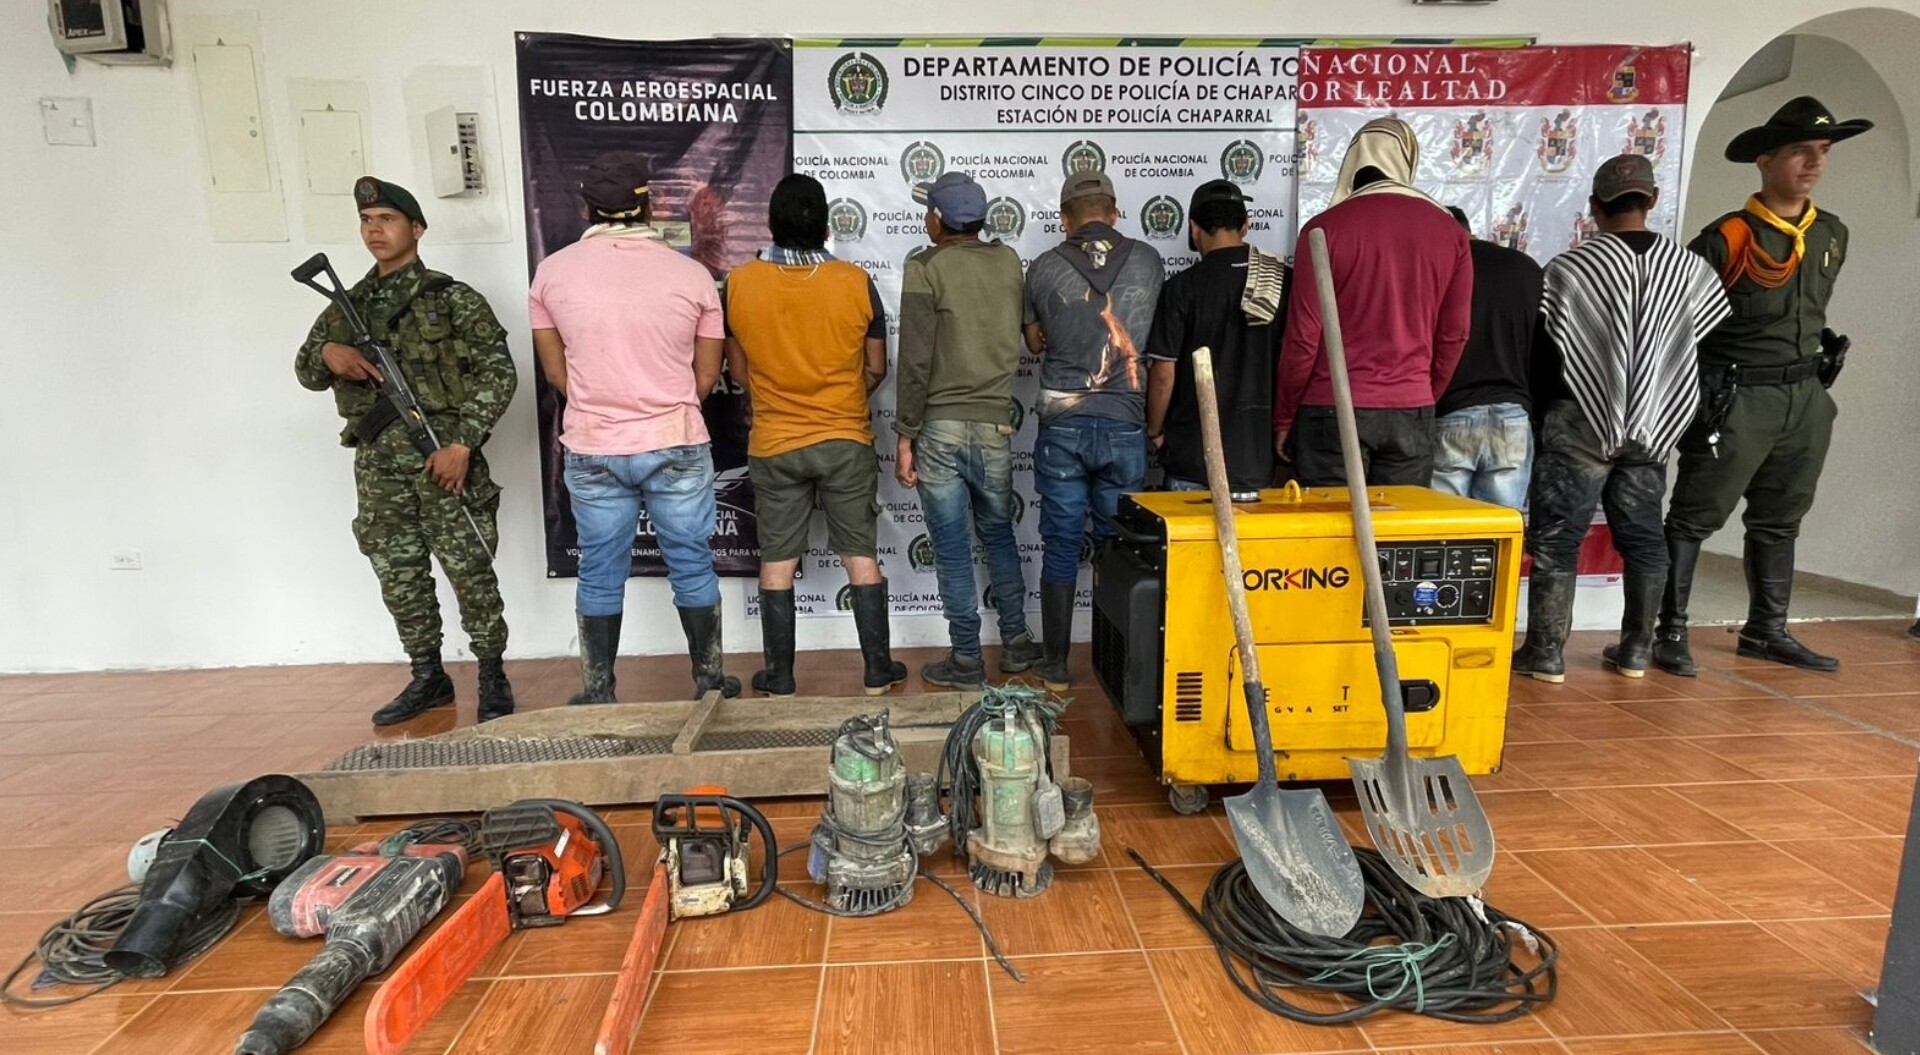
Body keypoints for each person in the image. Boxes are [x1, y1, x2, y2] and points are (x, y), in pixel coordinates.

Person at [1657, 96, 1871, 676]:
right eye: (1800, 151)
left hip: (1805, 397)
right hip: (1738, 395)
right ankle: (1668, 630)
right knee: (1694, 516)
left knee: (1782, 517)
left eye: (1822, 152)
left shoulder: (1831, 233)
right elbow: (1678, 322)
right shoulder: (1726, 238)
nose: (1813, 164)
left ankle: (1766, 630)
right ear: (1765, 160)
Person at [295, 177, 518, 724]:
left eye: (388, 220)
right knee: (399, 571)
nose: (375, 230)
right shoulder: (345, 308)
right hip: (378, 467)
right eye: (367, 221)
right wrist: (329, 353)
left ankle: (492, 673)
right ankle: (428, 676)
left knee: (468, 568)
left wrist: (463, 443)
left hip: (441, 457)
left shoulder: (452, 298)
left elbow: (499, 373)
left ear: (417, 229)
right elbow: (305, 371)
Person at [530, 152, 739, 705]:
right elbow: (708, 374)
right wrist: (662, 409)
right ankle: (710, 683)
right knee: (691, 560)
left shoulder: (550, 273)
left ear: (587, 207)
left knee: (600, 568)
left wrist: (608, 407)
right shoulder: (693, 275)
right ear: (649, 203)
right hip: (675, 437)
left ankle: (599, 693)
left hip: (593, 443)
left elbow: (557, 373)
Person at [1511, 155, 1730, 683]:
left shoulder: (1571, 267)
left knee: (1559, 536)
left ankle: (1545, 653)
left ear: (1593, 207)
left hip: (1578, 416)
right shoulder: (1690, 269)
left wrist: (1545, 416)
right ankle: (1635, 649)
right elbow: (1704, 345)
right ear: (1652, 201)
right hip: (1653, 420)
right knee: (1644, 538)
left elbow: (1547, 352)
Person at [724, 174, 908, 698]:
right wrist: (842, 396)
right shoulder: (855, 281)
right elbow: (877, 366)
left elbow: (739, 373)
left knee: (777, 561)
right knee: (860, 555)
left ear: (769, 225)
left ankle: (780, 677)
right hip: (845, 436)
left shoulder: (739, 283)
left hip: (775, 441)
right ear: (827, 227)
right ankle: (877, 672)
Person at [892, 172, 1041, 689]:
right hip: (996, 423)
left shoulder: (924, 266)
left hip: (939, 429)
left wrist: (904, 436)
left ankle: (966, 658)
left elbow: (913, 361)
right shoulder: (1006, 262)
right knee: (999, 534)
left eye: (927, 212)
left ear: (938, 219)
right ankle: (1018, 643)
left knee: (953, 545)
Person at [1023, 171, 1163, 691]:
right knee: (1116, 546)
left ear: (1065, 219)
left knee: (1060, 542)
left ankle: (1056, 665)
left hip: (1063, 425)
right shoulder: (1149, 260)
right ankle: (1118, 667)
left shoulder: (1042, 266)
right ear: (1115, 212)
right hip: (1127, 423)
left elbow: (1035, 343)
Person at [1276, 117, 1472, 487]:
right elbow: (1456, 334)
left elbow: (1303, 337)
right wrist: (1422, 394)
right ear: (1408, 160)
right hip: (1410, 407)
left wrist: (1285, 416)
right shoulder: (1449, 231)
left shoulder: (1323, 229)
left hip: (1330, 409)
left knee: (1332, 537)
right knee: (1397, 540)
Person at [1145, 179, 1288, 493]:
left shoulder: (1181, 288)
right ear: (1246, 226)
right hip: (1260, 462)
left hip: (1192, 460)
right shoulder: (1283, 280)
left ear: (1194, 229)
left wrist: (1154, 429)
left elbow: (1163, 374)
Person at [1430, 206, 1543, 508]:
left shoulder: (1438, 270)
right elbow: (1544, 347)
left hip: (1451, 414)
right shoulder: (1525, 267)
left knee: (1445, 537)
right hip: (1513, 419)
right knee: (1500, 539)